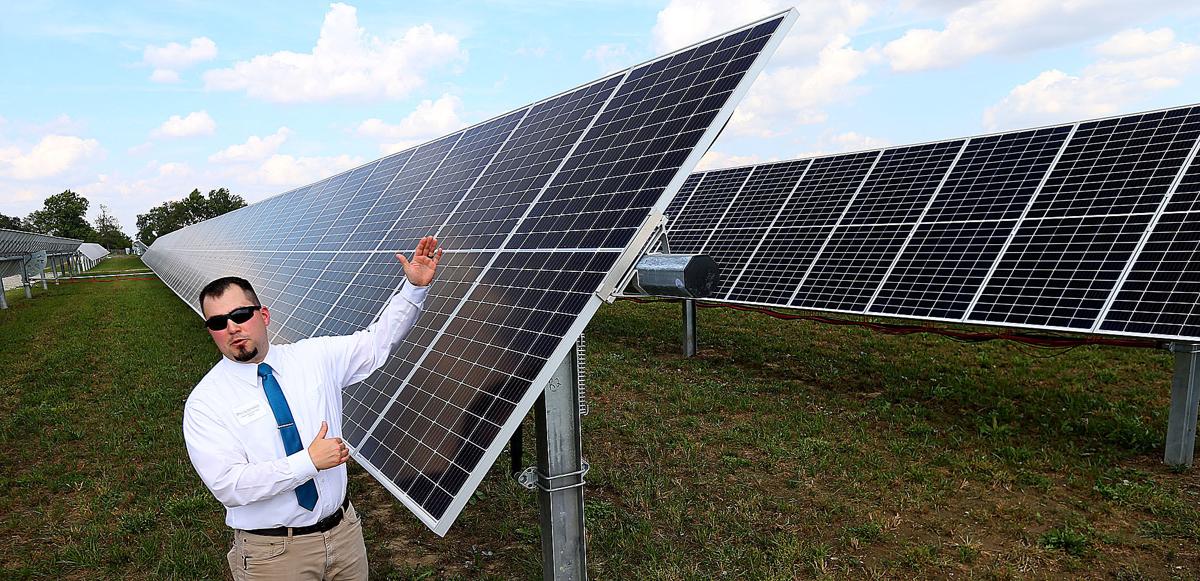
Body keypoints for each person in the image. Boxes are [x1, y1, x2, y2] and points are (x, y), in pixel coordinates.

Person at [183, 236, 443, 580]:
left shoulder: (314, 358)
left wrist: (412, 289)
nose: (232, 328)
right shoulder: (206, 402)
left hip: (345, 534)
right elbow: (229, 486)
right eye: (217, 323)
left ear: (263, 315)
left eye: (241, 315)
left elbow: (377, 343)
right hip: (273, 555)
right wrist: (307, 462)